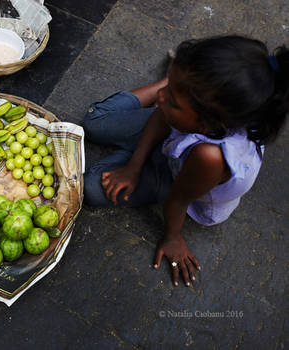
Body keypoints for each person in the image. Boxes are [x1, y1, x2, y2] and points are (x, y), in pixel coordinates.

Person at [83, 36, 289, 287]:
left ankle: (171, 99)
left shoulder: (211, 158)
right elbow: (162, 114)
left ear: (210, 124)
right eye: (169, 88)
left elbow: (179, 199)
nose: (160, 97)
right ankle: (174, 90)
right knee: (93, 122)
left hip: (180, 178)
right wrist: (133, 167)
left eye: (172, 98)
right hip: (176, 131)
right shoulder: (195, 112)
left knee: (91, 190)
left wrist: (172, 237)